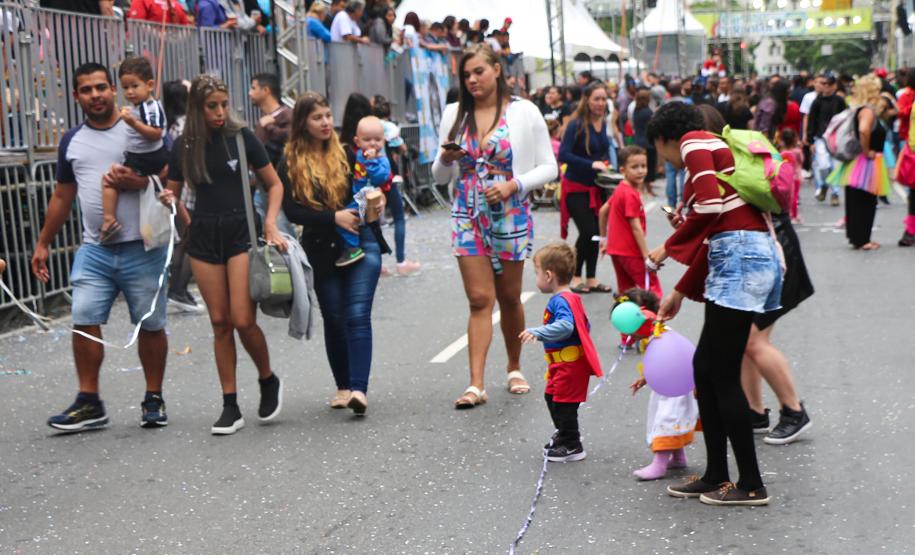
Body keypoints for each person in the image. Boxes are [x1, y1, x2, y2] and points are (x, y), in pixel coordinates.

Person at [647, 101, 782, 506]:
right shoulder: (709, 149)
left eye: (657, 148)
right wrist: (679, 292)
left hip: (741, 259)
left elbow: (708, 208)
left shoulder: (692, 143)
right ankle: (717, 474)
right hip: (738, 257)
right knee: (705, 368)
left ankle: (752, 484)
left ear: (663, 138)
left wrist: (667, 248)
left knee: (720, 373)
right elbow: (715, 230)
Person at [31, 62, 170, 432]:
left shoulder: (140, 129)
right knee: (83, 318)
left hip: (144, 246)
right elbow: (62, 195)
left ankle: (153, 397)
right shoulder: (71, 141)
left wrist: (141, 181)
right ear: (76, 97)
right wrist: (43, 243)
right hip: (94, 248)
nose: (95, 95)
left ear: (114, 89)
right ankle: (89, 401)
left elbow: (170, 171)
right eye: (86, 90)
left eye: (100, 88)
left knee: (151, 324)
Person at [432, 44, 556, 408]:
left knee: (509, 296)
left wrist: (513, 185)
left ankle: (514, 366)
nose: (472, 80)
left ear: (497, 70)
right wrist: (445, 157)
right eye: (466, 75)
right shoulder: (455, 113)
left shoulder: (523, 111)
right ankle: (475, 384)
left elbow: (549, 166)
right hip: (467, 212)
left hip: (510, 209)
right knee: (479, 298)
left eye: (478, 72)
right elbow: (440, 177)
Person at [163, 75, 287, 435]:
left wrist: (271, 224)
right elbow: (173, 192)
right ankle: (230, 404)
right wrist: (173, 207)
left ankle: (267, 378)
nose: (219, 113)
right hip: (203, 235)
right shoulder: (184, 144)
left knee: (243, 319)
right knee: (219, 322)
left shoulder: (241, 136)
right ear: (197, 109)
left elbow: (274, 184)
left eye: (223, 104)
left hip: (240, 233)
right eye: (211, 106)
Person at [279, 92, 385, 415]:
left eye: (327, 115)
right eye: (317, 117)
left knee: (356, 315)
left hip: (361, 240)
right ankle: (343, 385)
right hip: (321, 248)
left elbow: (371, 184)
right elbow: (292, 211)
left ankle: (359, 389)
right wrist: (332, 217)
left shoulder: (346, 154)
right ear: (302, 123)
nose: (326, 122)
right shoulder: (288, 160)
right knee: (335, 319)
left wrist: (375, 199)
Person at [519, 242, 602, 462]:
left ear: (548, 275)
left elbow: (567, 326)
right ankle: (565, 433)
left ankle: (572, 444)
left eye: (536, 273)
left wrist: (539, 332)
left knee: (563, 403)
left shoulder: (561, 301)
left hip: (570, 365)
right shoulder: (569, 298)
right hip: (561, 364)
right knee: (553, 397)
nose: (535, 278)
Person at [623, 288, 699, 480]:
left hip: (675, 389)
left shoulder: (660, 334)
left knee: (666, 419)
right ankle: (678, 457)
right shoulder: (654, 333)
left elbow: (673, 358)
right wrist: (644, 378)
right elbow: (657, 362)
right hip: (672, 385)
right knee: (673, 419)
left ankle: (659, 465)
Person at [99, 57, 168, 243]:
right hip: (142, 155)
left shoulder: (150, 107)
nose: (129, 92)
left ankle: (109, 221)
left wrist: (132, 122)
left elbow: (156, 133)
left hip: (146, 157)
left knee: (109, 180)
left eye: (134, 86)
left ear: (150, 85)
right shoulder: (139, 106)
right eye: (125, 88)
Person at [558, 83, 613, 294]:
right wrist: (590, 164)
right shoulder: (576, 125)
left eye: (603, 99)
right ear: (587, 100)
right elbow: (564, 155)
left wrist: (606, 164)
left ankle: (591, 278)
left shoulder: (603, 123)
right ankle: (574, 276)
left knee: (597, 233)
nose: (600, 103)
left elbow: (602, 154)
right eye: (596, 99)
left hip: (596, 187)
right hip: (575, 188)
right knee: (588, 231)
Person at [827, 75, 890, 251]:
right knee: (866, 201)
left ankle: (857, 237)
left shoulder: (859, 108)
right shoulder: (868, 110)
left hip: (858, 161)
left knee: (856, 199)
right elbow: (863, 130)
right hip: (867, 160)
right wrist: (867, 150)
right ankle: (863, 239)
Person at [162, 79, 205, 314]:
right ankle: (178, 289)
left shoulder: (172, 124)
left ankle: (177, 289)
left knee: (185, 240)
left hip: (182, 192)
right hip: (189, 192)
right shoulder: (185, 126)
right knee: (190, 241)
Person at [598, 146, 661, 300]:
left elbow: (603, 211)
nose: (640, 171)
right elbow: (636, 228)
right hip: (630, 251)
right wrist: (647, 257)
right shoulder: (630, 194)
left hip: (616, 250)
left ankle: (628, 322)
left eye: (643, 166)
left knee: (626, 292)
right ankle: (652, 322)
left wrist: (603, 239)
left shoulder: (620, 189)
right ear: (623, 170)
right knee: (651, 291)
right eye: (634, 167)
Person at [372, 95, 421, 275]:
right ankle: (401, 261)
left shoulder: (368, 125)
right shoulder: (390, 127)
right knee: (399, 216)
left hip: (370, 174)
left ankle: (377, 264)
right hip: (388, 174)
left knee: (373, 220)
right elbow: (402, 148)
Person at [334, 116, 391, 266]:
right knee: (345, 219)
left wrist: (372, 162)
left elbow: (381, 179)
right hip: (355, 194)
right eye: (367, 139)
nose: (372, 143)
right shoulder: (356, 155)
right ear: (357, 141)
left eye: (377, 139)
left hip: (368, 196)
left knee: (349, 219)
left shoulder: (382, 160)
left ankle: (352, 248)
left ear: (383, 140)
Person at [249, 73, 296, 238]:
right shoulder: (264, 120)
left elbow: (291, 139)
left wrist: (269, 127)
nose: (250, 93)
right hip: (263, 188)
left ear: (266, 90)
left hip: (279, 188)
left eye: (254, 88)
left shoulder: (285, 115)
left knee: (283, 233)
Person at [806, 75, 846, 206]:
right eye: (824, 84)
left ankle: (835, 193)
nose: (826, 86)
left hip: (836, 138)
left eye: (829, 84)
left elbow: (845, 120)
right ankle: (824, 185)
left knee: (835, 166)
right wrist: (810, 140)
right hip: (820, 138)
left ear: (834, 86)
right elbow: (811, 121)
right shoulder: (817, 102)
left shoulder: (840, 101)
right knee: (823, 165)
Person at [631, 89, 657, 189]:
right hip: (648, 142)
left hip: (637, 140)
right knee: (649, 166)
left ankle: (642, 187)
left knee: (640, 165)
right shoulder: (648, 112)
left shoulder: (636, 111)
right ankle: (646, 187)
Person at [779, 128, 804, 224]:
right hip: (796, 176)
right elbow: (801, 160)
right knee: (795, 197)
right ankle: (794, 215)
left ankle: (789, 213)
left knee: (788, 197)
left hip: (786, 177)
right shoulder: (797, 151)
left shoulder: (782, 153)